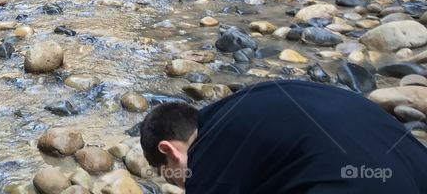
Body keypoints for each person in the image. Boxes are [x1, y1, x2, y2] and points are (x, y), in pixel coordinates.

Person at [139, 79, 427, 192]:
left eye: (172, 175)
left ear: (169, 150)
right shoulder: (248, 102)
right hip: (415, 166)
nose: (181, 183)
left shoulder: (206, 164)